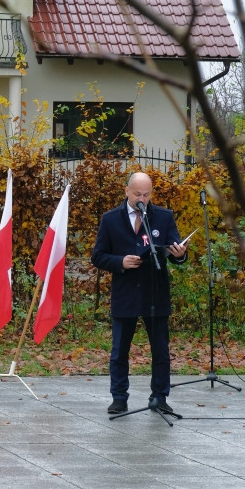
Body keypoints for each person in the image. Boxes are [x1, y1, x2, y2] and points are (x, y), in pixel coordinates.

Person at [91, 171, 188, 415]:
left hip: (155, 292)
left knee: (160, 350)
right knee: (120, 350)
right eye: (137, 194)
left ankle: (159, 397)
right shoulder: (111, 219)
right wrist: (120, 262)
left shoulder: (163, 217)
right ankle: (119, 397)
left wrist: (180, 254)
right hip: (126, 293)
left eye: (146, 194)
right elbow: (98, 256)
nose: (141, 198)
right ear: (127, 191)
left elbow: (175, 249)